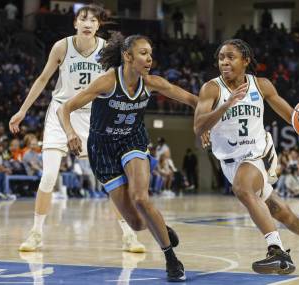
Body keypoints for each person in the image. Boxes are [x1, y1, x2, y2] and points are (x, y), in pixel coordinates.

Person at [194, 39, 299, 275]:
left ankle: (276, 251)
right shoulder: (212, 89)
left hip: (258, 152)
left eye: (230, 57)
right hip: (229, 161)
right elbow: (198, 126)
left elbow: (294, 118)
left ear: (245, 61)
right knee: (281, 213)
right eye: (221, 57)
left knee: (242, 188)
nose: (224, 62)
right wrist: (225, 106)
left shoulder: (261, 85)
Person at [57, 33, 198, 282]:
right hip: (103, 149)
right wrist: (70, 133)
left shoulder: (151, 82)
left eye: (151, 54)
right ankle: (161, 228)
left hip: (133, 141)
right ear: (127, 56)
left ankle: (171, 259)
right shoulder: (106, 83)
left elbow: (191, 99)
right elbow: (64, 108)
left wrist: (218, 112)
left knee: (141, 198)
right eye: (143, 53)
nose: (149, 58)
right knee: (136, 223)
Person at [8, 5, 145, 253]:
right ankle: (36, 233)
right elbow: (42, 79)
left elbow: (120, 83)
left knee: (111, 179)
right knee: (49, 175)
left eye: (93, 20)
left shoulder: (107, 50)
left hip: (92, 116)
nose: (88, 23)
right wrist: (23, 110)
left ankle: (128, 236)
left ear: (98, 26)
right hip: (61, 112)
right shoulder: (62, 46)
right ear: (75, 23)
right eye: (83, 19)